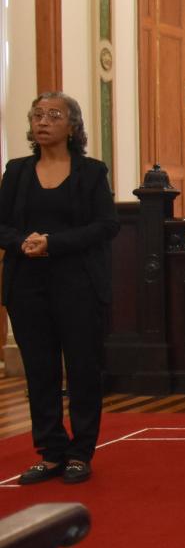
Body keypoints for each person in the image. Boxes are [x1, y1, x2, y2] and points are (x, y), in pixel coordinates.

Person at [1, 93, 119, 485]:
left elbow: (106, 225)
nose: (43, 121)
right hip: (26, 285)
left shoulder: (91, 172)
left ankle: (80, 452)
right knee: (40, 372)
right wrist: (21, 242)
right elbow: (2, 225)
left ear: (72, 127)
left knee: (83, 369)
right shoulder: (16, 171)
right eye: (37, 114)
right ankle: (51, 452)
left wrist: (53, 243)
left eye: (54, 115)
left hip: (78, 283)